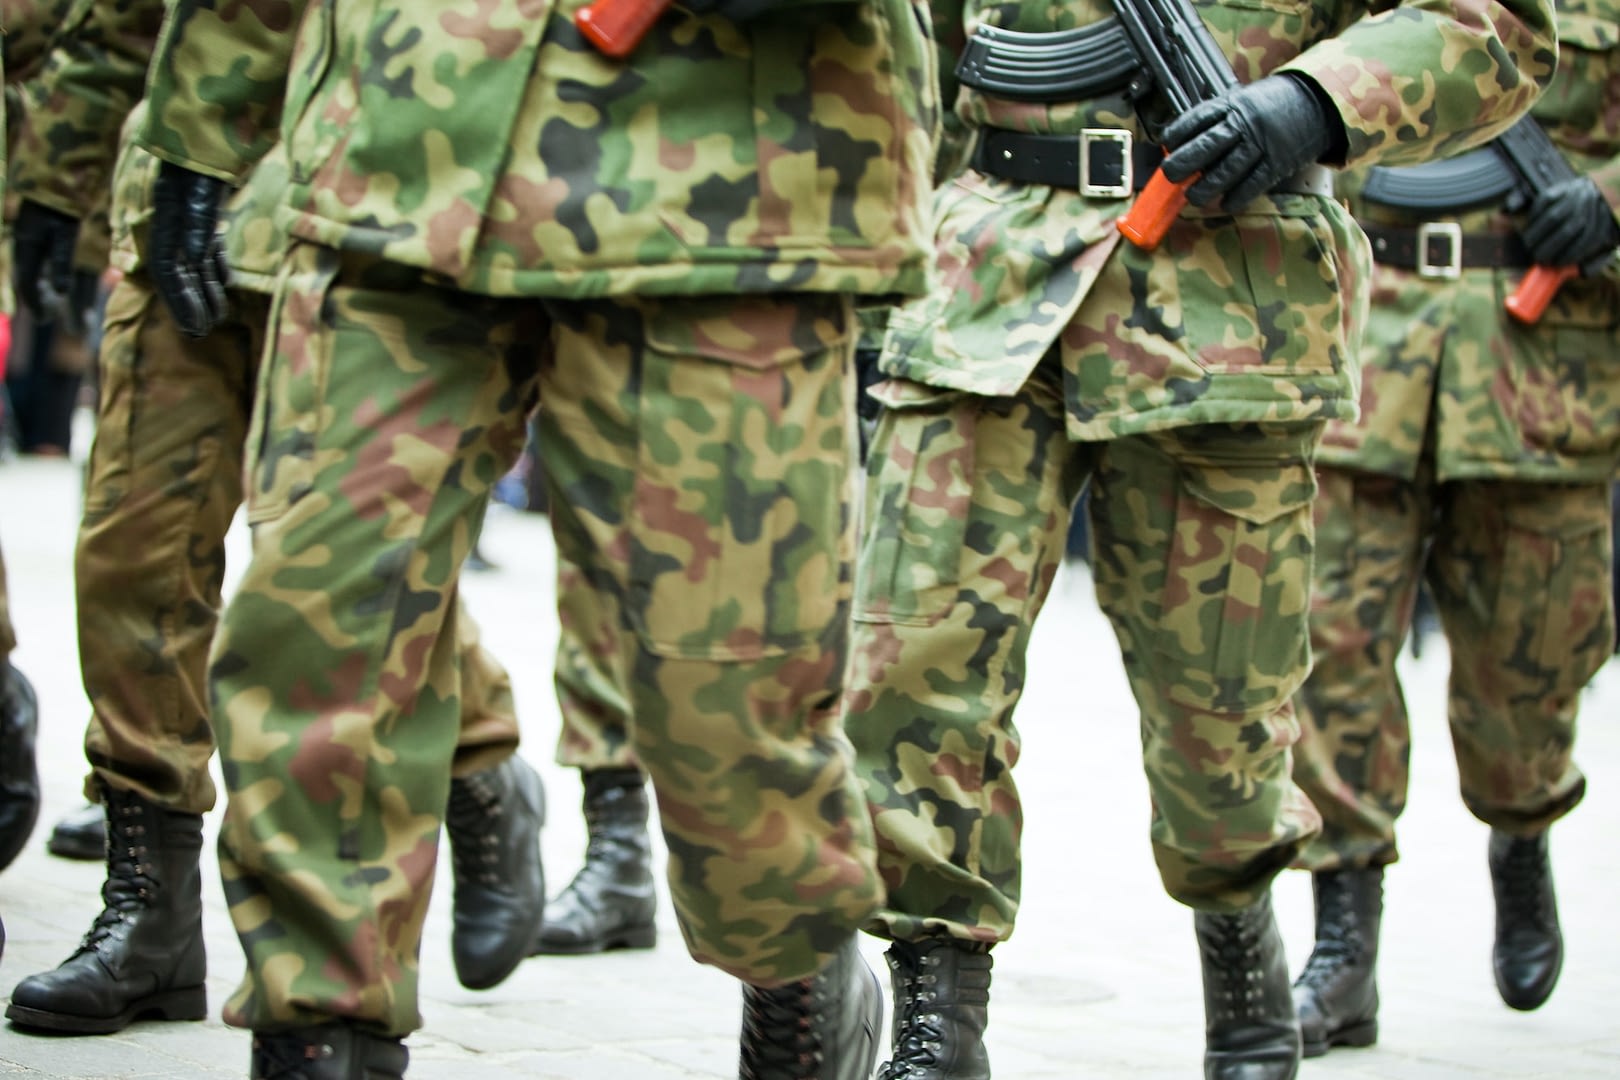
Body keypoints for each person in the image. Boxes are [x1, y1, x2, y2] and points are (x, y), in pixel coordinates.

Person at [133, 0, 938, 1075]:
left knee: (730, 707)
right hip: (397, 153)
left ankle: (795, 972)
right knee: (315, 640)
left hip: (725, 176)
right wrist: (202, 118)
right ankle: (320, 1029)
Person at [843, 1, 1557, 1078]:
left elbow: (1495, 21)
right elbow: (920, 44)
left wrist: (1312, 102)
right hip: (985, 272)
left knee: (1218, 702)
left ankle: (1245, 982)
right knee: (912, 662)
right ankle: (938, 1022)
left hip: (1229, 287)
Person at [2, 1, 546, 1034]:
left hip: (352, 207)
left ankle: (480, 773)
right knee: (134, 550)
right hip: (172, 195)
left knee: (341, 563)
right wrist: (55, 173)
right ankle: (149, 912)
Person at [1287, 8, 1620, 1056]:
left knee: (1530, 658)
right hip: (1369, 327)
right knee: (1330, 645)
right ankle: (1344, 942)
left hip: (1539, 343)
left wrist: (1611, 204)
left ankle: (1522, 830)